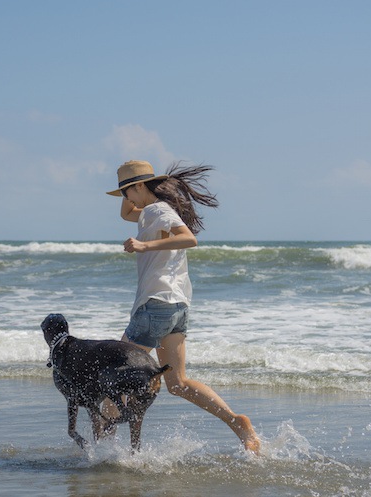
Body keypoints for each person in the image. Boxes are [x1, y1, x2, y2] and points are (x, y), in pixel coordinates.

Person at [105, 159, 261, 453]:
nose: (126, 200)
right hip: (176, 306)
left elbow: (188, 239)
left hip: (155, 304)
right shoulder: (156, 210)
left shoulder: (157, 211)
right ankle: (236, 422)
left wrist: (143, 246)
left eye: (127, 191)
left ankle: (101, 455)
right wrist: (129, 190)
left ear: (139, 186)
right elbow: (128, 212)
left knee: (114, 377)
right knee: (177, 383)